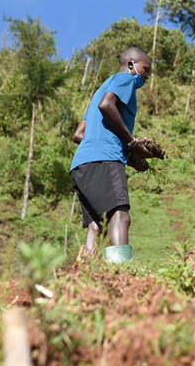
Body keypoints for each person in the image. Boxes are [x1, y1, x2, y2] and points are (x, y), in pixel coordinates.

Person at [70, 47, 151, 263]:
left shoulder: (102, 88)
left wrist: (132, 157)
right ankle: (121, 270)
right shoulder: (125, 79)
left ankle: (85, 270)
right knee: (120, 215)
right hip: (105, 159)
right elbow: (106, 106)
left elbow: (79, 135)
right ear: (131, 65)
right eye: (146, 70)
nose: (147, 76)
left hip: (81, 165)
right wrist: (132, 142)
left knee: (96, 225)